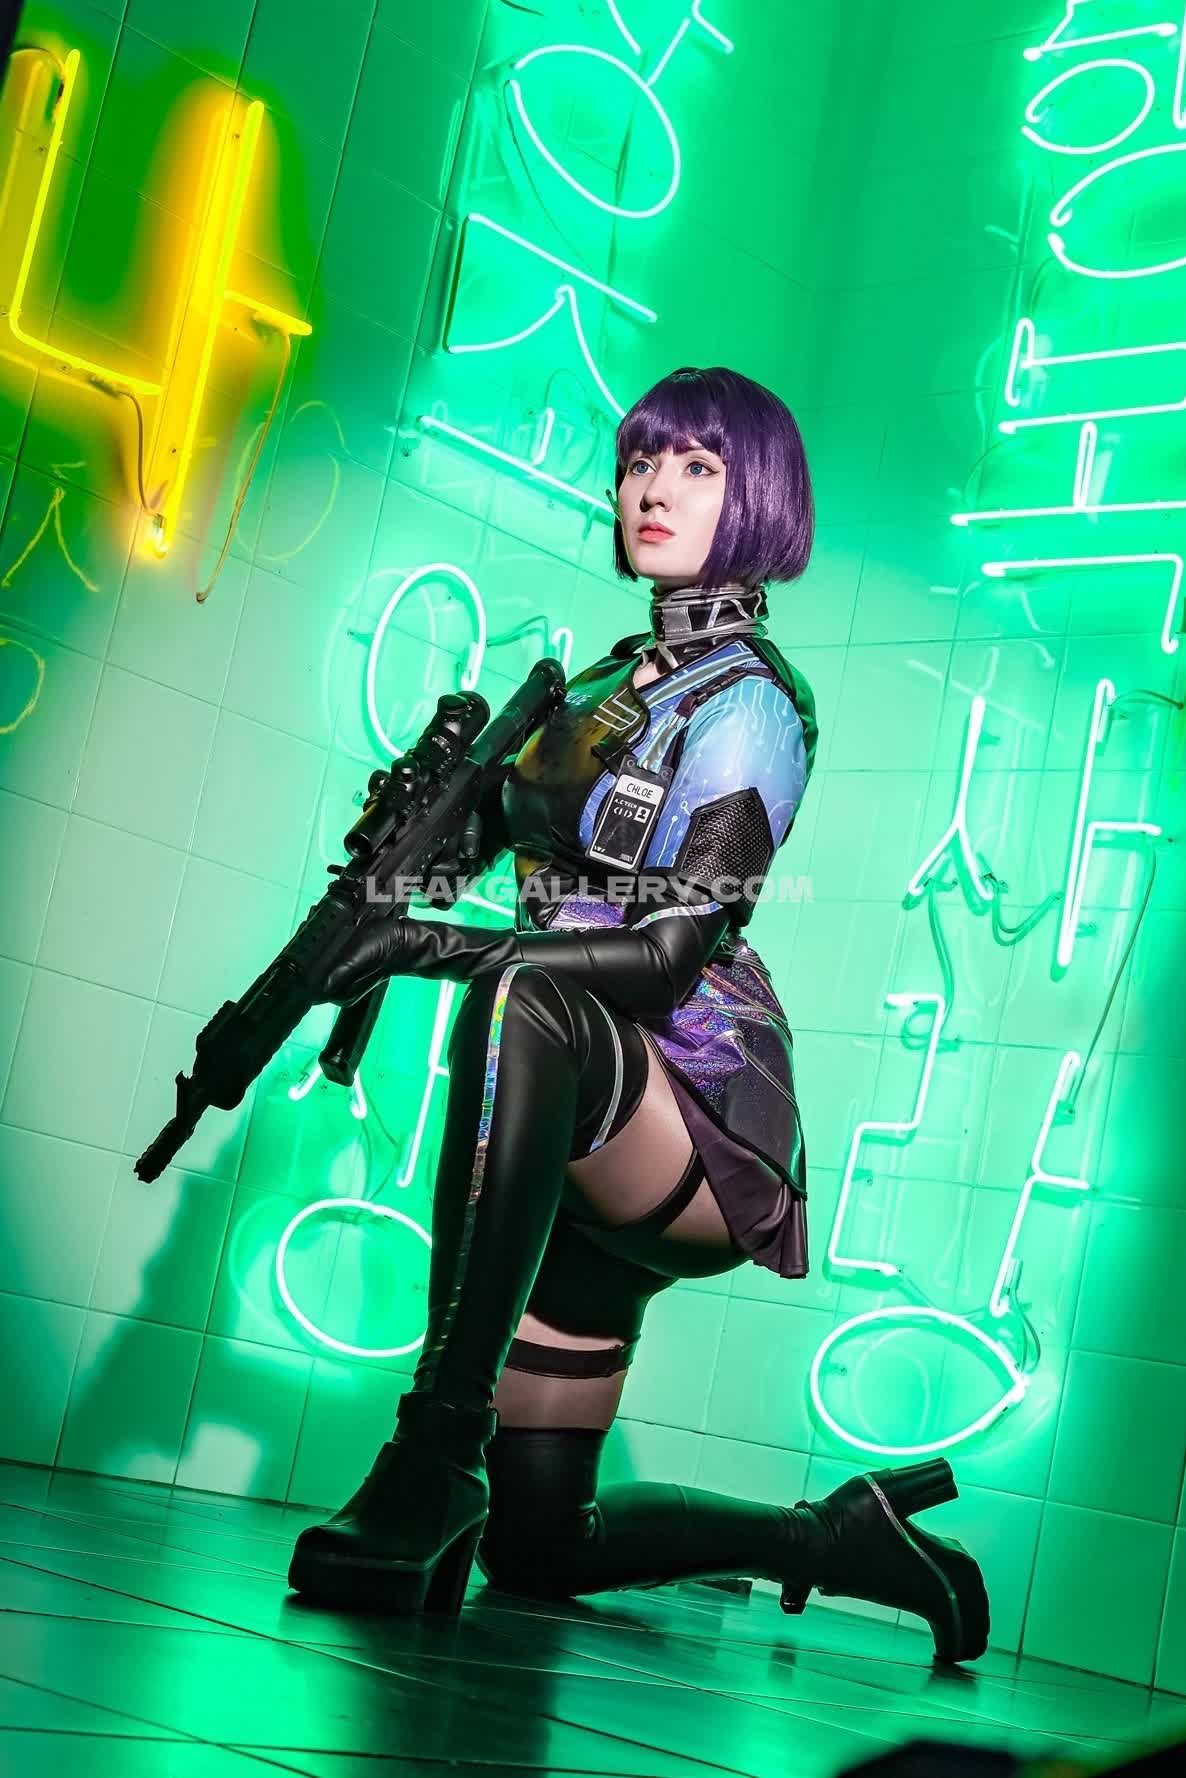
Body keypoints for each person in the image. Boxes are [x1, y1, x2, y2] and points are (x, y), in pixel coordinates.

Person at [287, 366, 989, 1665]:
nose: (652, 487)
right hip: (571, 1124)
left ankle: (434, 1447)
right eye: (639, 462)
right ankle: (830, 1537)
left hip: (697, 1114)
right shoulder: (606, 681)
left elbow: (666, 957)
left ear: (757, 497)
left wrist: (430, 942)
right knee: (540, 1543)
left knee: (523, 992)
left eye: (696, 466)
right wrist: (423, 836)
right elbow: (487, 857)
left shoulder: (752, 703)